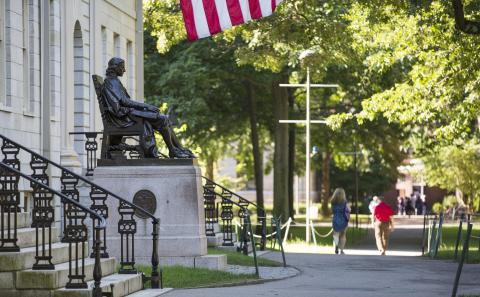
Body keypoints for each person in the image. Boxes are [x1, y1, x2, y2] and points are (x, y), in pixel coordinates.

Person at [101, 57, 194, 159]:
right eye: (122, 67)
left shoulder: (114, 81)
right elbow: (124, 102)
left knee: (164, 119)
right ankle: (173, 150)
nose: (124, 70)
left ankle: (178, 149)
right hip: (122, 117)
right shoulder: (111, 82)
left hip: (127, 114)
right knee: (162, 119)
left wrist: (146, 107)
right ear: (115, 67)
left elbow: (125, 101)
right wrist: (147, 106)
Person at [330, 188, 350, 255]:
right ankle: (341, 250)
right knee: (343, 235)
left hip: (335, 219)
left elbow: (332, 211)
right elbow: (349, 210)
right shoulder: (345, 202)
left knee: (336, 234)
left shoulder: (332, 202)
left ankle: (336, 247)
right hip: (344, 219)